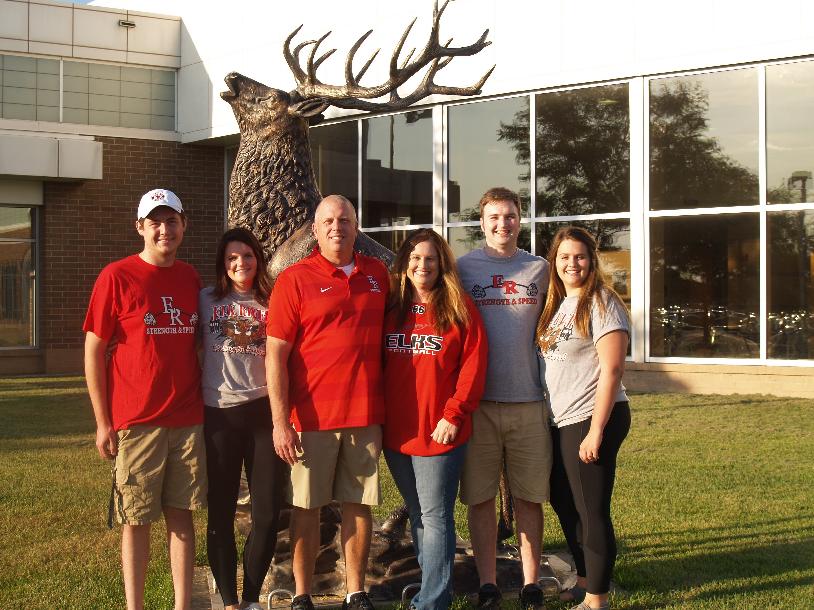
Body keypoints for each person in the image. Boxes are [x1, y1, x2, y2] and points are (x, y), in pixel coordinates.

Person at [84, 188, 206, 610]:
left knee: (182, 516)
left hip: (187, 420)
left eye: (171, 221)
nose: (164, 229)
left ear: (183, 225)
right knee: (135, 521)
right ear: (140, 228)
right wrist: (103, 422)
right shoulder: (116, 276)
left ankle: (181, 604)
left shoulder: (191, 279)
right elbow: (94, 351)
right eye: (154, 222)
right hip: (137, 422)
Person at [266, 195, 389, 610]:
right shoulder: (294, 280)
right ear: (314, 231)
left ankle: (355, 590)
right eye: (328, 221)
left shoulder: (378, 275)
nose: (337, 226)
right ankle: (302, 593)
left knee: (359, 506)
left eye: (345, 219)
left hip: (365, 415)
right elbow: (275, 355)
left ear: (357, 227)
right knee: (307, 508)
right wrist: (280, 421)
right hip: (310, 419)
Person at [456, 187, 552, 610]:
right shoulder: (462, 269)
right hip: (478, 405)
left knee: (529, 497)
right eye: (494, 217)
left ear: (520, 219)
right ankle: (489, 585)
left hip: (529, 401)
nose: (502, 224)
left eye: (510, 216)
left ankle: (531, 584)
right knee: (480, 497)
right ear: (482, 222)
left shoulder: (540, 269)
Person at [383, 229, 488, 610]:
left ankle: (432, 602)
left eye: (429, 258)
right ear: (404, 265)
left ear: (441, 263)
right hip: (397, 434)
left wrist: (454, 414)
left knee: (436, 516)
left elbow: (474, 366)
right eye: (414, 258)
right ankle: (432, 590)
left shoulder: (457, 307)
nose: (422, 265)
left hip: (440, 431)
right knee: (420, 515)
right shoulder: (391, 308)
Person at [536, 227, 631, 610]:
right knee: (564, 501)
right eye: (564, 257)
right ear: (554, 262)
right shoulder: (557, 303)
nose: (571, 264)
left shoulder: (602, 302)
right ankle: (585, 580)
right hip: (561, 421)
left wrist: (595, 431)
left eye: (579, 256)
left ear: (592, 260)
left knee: (591, 509)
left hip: (591, 417)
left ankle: (597, 600)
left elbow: (612, 371)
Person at [200, 227, 287, 610]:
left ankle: (251, 599)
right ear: (223, 262)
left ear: (258, 259)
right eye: (232, 258)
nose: (240, 264)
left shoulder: (274, 300)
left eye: (247, 256)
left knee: (267, 514)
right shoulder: (204, 299)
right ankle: (230, 600)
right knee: (220, 512)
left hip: (263, 414)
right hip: (218, 414)